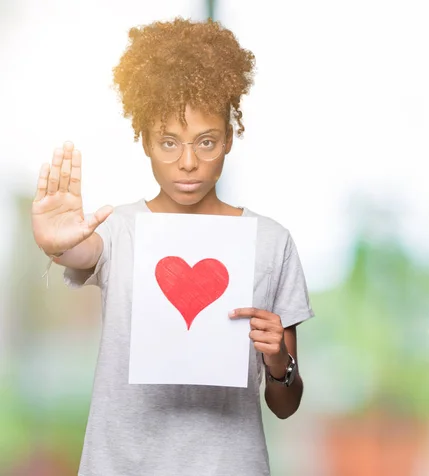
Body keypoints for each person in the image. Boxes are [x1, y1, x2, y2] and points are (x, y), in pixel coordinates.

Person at [30, 18, 314, 476]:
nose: (188, 163)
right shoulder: (119, 229)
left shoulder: (269, 242)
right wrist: (56, 243)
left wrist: (280, 359)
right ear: (143, 140)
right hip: (120, 465)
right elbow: (83, 252)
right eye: (168, 142)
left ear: (229, 138)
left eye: (206, 142)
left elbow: (284, 405)